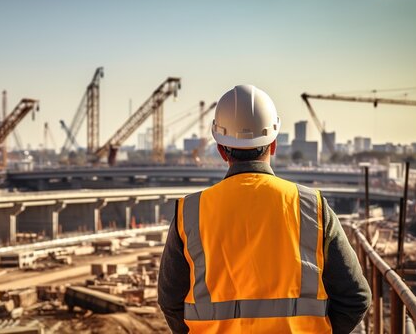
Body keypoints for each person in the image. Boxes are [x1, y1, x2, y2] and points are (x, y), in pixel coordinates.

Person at [158, 85, 370, 333]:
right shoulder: (312, 207)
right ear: (274, 145)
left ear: (220, 149)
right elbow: (356, 298)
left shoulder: (190, 212)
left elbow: (170, 301)